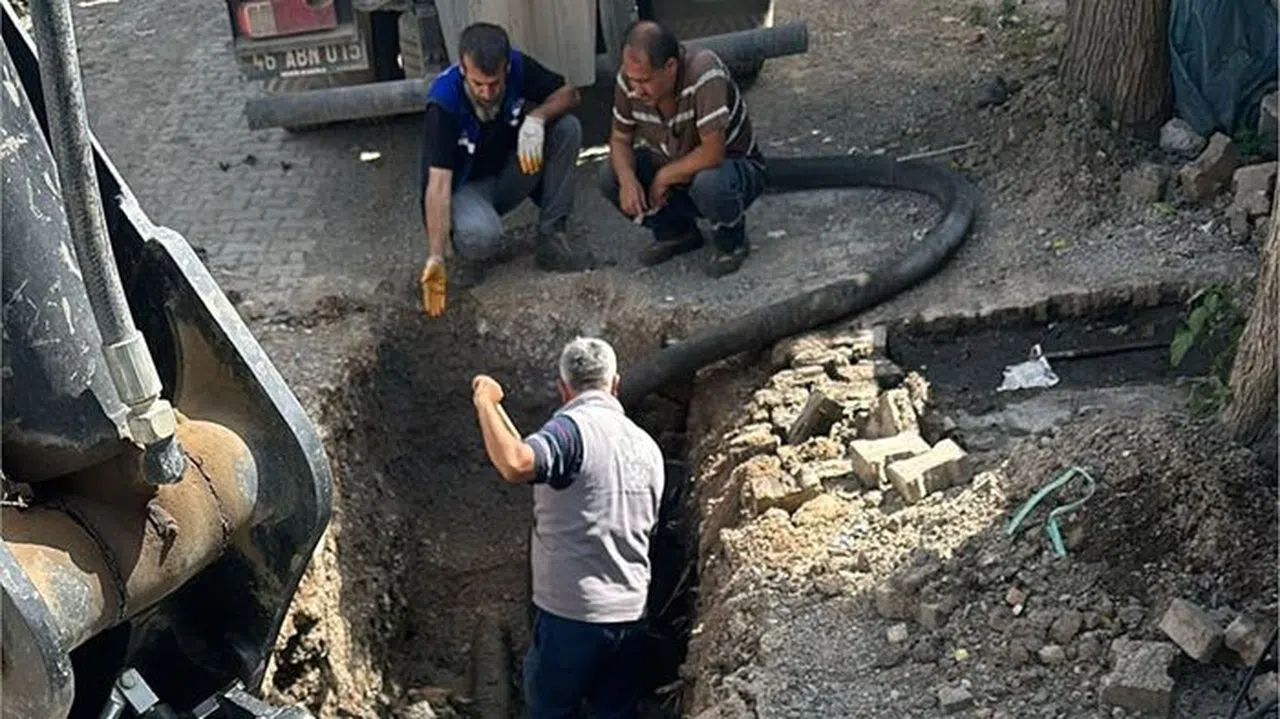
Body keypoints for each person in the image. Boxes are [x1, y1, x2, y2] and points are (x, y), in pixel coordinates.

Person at [470, 337, 665, 718]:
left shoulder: (571, 433)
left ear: (563, 389)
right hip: (631, 618)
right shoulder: (647, 448)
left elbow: (515, 462)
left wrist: (484, 401)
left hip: (572, 621)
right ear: (616, 384)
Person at [419, 22, 594, 318]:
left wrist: (537, 118)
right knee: (483, 236)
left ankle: (552, 237)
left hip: (509, 172)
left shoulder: (518, 65)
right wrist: (436, 257)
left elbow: (570, 94)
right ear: (462, 68)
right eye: (478, 85)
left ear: (506, 69)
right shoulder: (443, 103)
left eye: (495, 84)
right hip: (466, 189)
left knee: (566, 129)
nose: (487, 93)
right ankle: (463, 258)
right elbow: (437, 184)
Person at [598, 20, 768, 278]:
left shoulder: (703, 72)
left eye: (644, 81)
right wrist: (627, 179)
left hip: (732, 169)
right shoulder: (628, 80)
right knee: (610, 174)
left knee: (709, 183)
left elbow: (713, 153)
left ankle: (731, 241)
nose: (636, 90)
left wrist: (665, 176)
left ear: (670, 67)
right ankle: (676, 233)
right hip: (672, 163)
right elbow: (620, 139)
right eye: (632, 80)